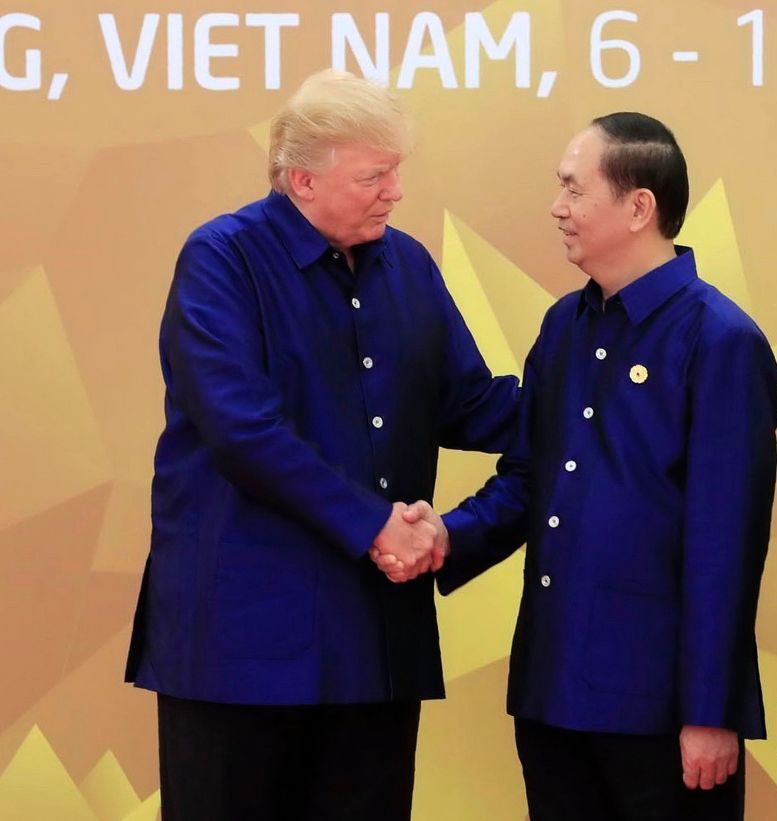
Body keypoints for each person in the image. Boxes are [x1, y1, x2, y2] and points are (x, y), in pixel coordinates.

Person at [123, 69, 519, 821]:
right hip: (241, 645)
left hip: (371, 644)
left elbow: (469, 402)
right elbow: (243, 428)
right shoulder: (222, 261)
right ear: (301, 179)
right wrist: (375, 524)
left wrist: (599, 412)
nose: (395, 191)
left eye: (397, 171)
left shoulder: (408, 265)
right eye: (376, 173)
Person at [376, 112, 777, 820]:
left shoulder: (720, 342)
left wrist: (711, 710)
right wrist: (446, 536)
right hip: (553, 688)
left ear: (639, 206)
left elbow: (727, 543)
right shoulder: (564, 326)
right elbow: (532, 476)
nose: (556, 208)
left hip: (662, 707)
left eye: (573, 189)